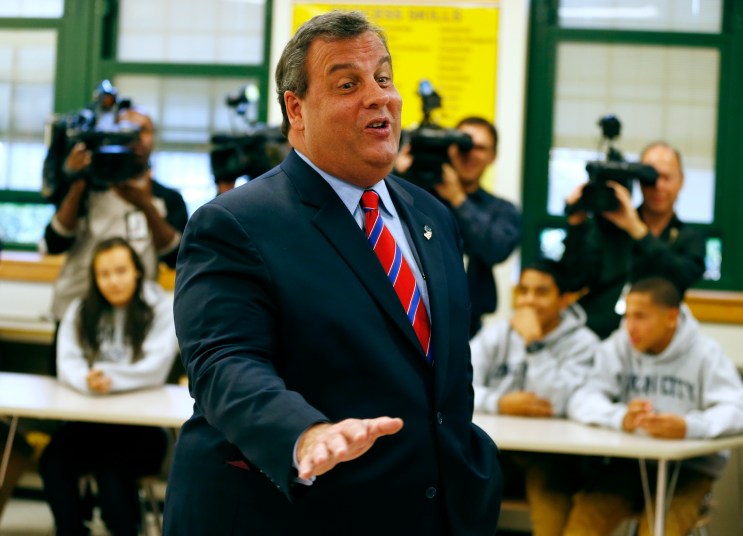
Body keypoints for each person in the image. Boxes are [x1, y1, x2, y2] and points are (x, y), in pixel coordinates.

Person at [163, 10, 502, 536]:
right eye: (348, 84)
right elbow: (224, 361)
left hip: (429, 511)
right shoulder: (235, 222)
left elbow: (443, 373)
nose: (379, 97)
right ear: (296, 109)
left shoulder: (433, 216)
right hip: (296, 512)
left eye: (384, 78)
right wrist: (302, 434)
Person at [564, 276, 743, 536]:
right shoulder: (619, 346)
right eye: (627, 316)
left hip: (688, 470)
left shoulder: (705, 353)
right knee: (583, 523)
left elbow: (739, 411)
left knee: (659, 530)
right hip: (626, 465)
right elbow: (581, 398)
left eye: (640, 317)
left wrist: (689, 426)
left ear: (671, 317)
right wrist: (619, 418)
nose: (630, 326)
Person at [39, 237, 178, 536]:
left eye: (120, 271)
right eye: (104, 274)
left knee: (113, 470)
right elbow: (67, 363)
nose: (113, 281)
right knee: (53, 460)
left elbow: (155, 367)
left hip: (143, 428)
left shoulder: (160, 308)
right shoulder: (80, 309)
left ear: (137, 271)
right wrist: (87, 380)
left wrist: (109, 378)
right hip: (92, 422)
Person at [471, 258, 598, 536]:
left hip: (553, 456)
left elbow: (556, 403)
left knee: (549, 491)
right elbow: (459, 383)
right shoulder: (498, 333)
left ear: (564, 299)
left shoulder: (583, 343)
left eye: (541, 292)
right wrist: (498, 403)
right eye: (523, 291)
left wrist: (534, 344)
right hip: (497, 448)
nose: (528, 301)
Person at [41, 105, 188, 331]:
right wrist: (78, 182)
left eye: (144, 130)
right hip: (76, 314)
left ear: (154, 138)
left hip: (136, 319)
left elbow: (175, 258)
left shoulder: (167, 198)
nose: (136, 137)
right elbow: (54, 243)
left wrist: (145, 205)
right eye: (127, 130)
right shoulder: (84, 189)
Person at [560, 141, 706, 339]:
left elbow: (681, 277)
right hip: (598, 338)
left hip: (654, 345)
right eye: (651, 178)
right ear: (638, 180)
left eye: (667, 177)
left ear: (681, 181)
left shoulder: (689, 238)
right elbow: (574, 280)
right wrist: (576, 226)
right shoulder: (608, 228)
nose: (659, 186)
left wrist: (638, 231)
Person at [397, 117, 522, 336]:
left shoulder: (500, 209)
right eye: (463, 145)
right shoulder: (416, 195)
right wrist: (398, 173)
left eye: (480, 148)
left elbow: (496, 249)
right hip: (408, 315)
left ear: (493, 156)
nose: (469, 153)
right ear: (449, 148)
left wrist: (457, 198)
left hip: (468, 326)